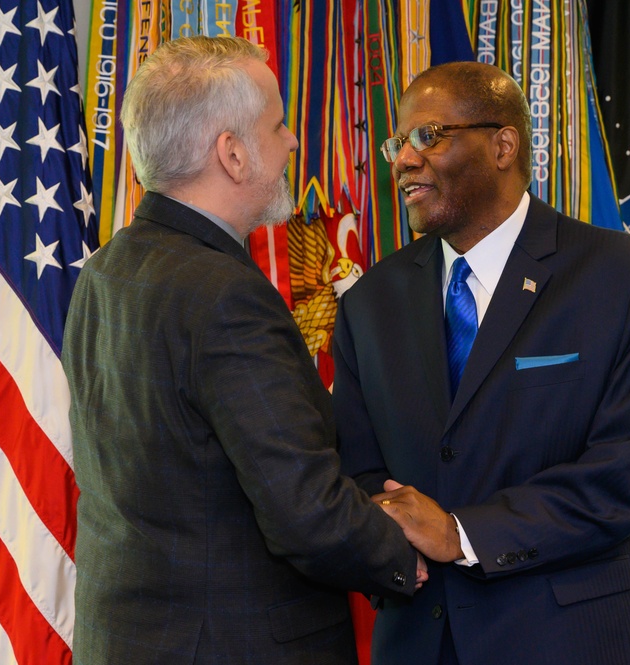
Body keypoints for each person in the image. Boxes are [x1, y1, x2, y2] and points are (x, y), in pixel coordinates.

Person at [61, 36, 422, 665]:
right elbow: (305, 511)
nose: (292, 143)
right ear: (231, 153)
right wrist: (413, 555)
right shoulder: (224, 295)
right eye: (278, 125)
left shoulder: (106, 269)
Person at [332, 61, 630, 665]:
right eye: (398, 142)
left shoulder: (624, 278)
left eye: (429, 136)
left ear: (503, 145)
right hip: (421, 641)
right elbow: (358, 470)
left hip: (571, 641)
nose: (402, 160)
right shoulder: (372, 302)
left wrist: (462, 533)